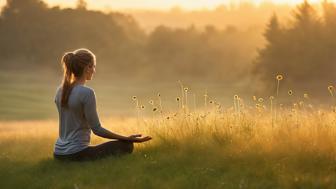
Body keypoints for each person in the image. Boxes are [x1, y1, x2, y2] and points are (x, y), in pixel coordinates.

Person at [53, 48, 151, 161]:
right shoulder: (86, 93)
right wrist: (127, 139)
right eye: (93, 66)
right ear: (87, 68)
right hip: (76, 153)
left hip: (58, 154)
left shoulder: (60, 91)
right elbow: (97, 129)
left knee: (119, 145)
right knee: (126, 146)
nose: (94, 70)